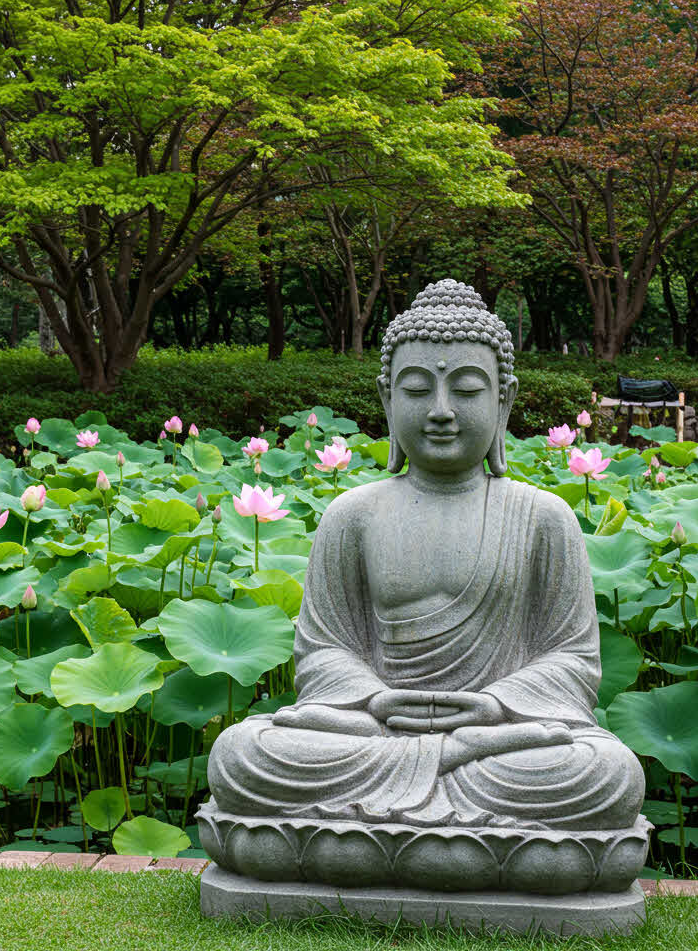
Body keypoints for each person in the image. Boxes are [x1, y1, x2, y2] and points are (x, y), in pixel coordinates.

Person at [207, 279, 644, 830]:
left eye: (466, 391)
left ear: (502, 400)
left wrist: (495, 708)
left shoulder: (542, 517)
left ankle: (398, 809)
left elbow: (573, 660)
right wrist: (373, 700)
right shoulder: (353, 514)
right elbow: (322, 653)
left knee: (606, 772)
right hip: (376, 733)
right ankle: (446, 795)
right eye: (416, 391)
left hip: (495, 743)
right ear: (387, 398)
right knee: (244, 752)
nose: (441, 411)